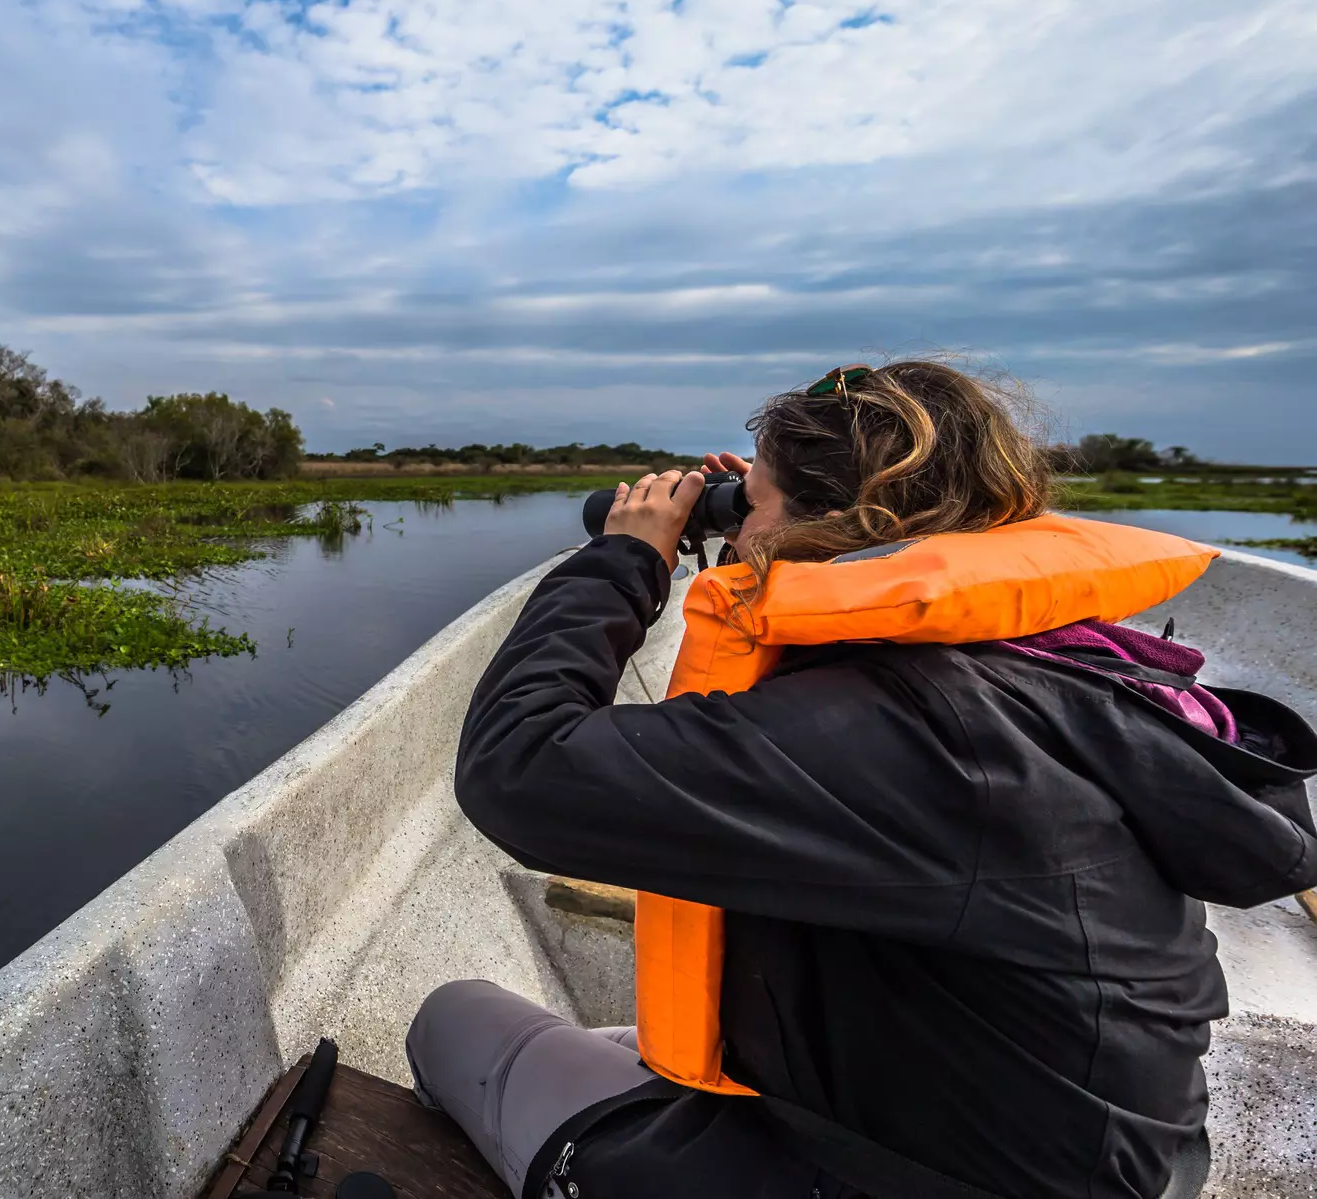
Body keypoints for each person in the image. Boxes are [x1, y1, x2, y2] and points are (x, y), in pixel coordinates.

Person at [407, 361, 1317, 1199]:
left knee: (453, 1022)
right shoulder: (1050, 679)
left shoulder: (910, 739)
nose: (734, 521)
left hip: (886, 1174)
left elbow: (517, 767)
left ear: (829, 526)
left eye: (749, 505)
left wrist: (626, 556)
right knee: (640, 1051)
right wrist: (759, 536)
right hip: (1077, 1161)